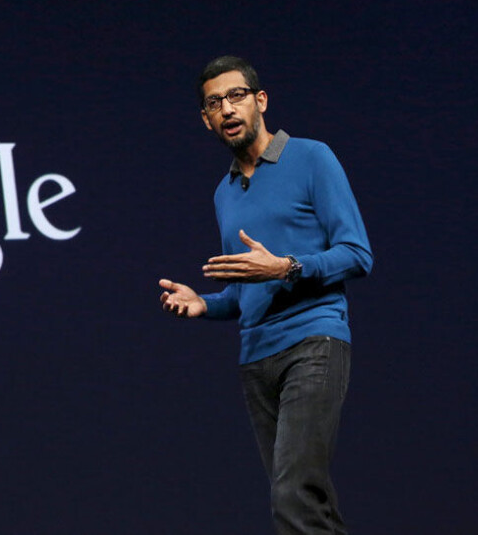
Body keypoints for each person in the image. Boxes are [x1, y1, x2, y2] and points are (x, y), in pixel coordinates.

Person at [158, 55, 372, 534]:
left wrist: (287, 266)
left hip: (313, 342)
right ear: (206, 120)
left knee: (294, 493)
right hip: (256, 359)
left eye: (236, 96)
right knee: (303, 500)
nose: (227, 109)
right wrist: (204, 304)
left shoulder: (312, 157)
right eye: (214, 103)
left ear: (260, 101)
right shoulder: (224, 193)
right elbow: (243, 293)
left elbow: (358, 254)